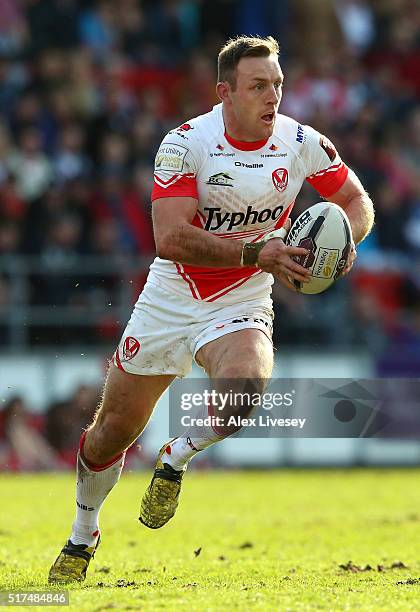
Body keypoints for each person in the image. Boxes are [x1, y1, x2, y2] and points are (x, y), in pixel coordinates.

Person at [48, 35, 374, 583]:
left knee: (246, 385)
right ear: (225, 92)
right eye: (257, 86)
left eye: (277, 85)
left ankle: (177, 453)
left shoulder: (301, 142)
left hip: (243, 294)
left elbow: (355, 201)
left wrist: (345, 245)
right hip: (171, 296)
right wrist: (257, 250)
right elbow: (169, 237)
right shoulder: (185, 144)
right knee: (111, 433)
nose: (272, 97)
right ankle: (83, 534)